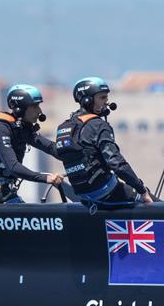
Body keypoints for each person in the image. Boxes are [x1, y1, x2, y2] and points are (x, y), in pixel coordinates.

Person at [55, 76, 153, 207]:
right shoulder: (97, 125)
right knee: (158, 205)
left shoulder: (64, 127)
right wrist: (142, 190)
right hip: (108, 192)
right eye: (102, 97)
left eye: (107, 97)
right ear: (87, 100)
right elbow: (117, 163)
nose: (107, 102)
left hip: (84, 198)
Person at [0, 84, 63, 204]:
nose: (40, 111)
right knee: (31, 219)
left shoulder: (21, 128)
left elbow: (50, 147)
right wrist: (46, 178)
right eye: (35, 106)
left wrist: (80, 155)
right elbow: (13, 167)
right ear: (20, 108)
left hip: (5, 192)